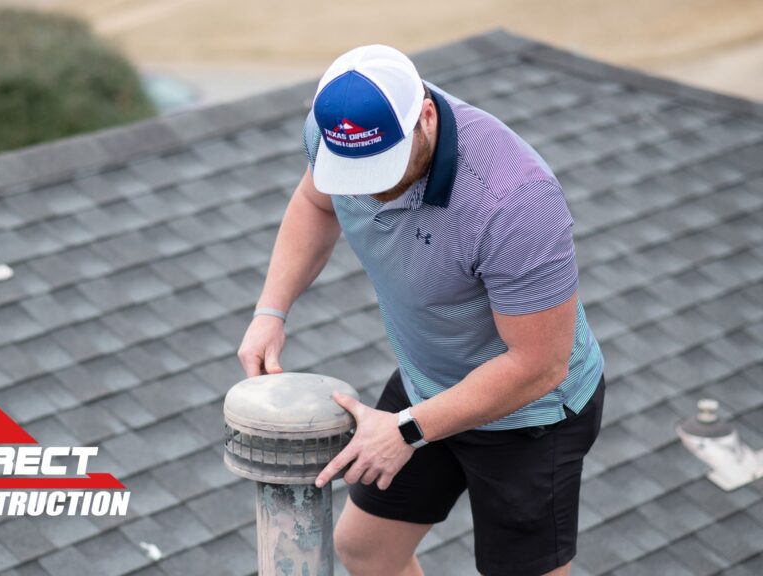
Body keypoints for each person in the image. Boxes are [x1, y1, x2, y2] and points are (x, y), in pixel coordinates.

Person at [237, 45, 605, 576]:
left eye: (383, 169)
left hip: (531, 417)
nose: (371, 191)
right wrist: (270, 311)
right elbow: (316, 203)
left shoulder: (515, 200)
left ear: (425, 116)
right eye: (355, 175)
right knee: (365, 550)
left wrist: (408, 429)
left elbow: (539, 366)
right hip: (426, 383)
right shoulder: (336, 129)